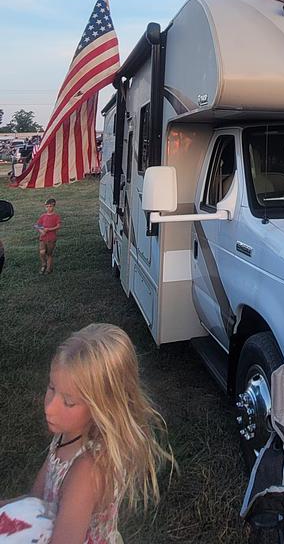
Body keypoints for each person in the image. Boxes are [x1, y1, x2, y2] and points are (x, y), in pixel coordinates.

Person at [0, 323, 174, 544]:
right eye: (52, 388)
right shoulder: (69, 433)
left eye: (68, 402)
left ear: (102, 407)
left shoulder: (87, 471)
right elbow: (36, 500)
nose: (50, 407)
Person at [35, 198, 61, 274]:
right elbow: (37, 225)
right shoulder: (43, 216)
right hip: (43, 238)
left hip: (51, 238)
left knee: (49, 254)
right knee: (42, 252)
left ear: (54, 206)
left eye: (50, 206)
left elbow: (58, 226)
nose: (48, 208)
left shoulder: (56, 216)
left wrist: (49, 229)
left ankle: (49, 269)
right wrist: (41, 231)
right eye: (47, 206)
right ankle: (43, 264)